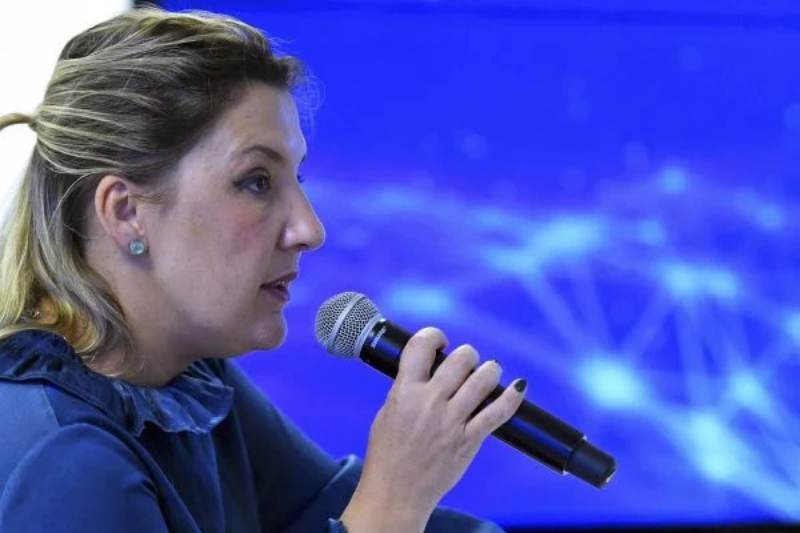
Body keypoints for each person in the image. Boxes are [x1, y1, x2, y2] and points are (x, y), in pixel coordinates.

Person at [0, 7, 527, 532]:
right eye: (256, 181)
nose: (310, 229)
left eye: (297, 178)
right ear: (125, 213)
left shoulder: (185, 381)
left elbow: (319, 507)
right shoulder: (64, 463)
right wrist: (396, 495)